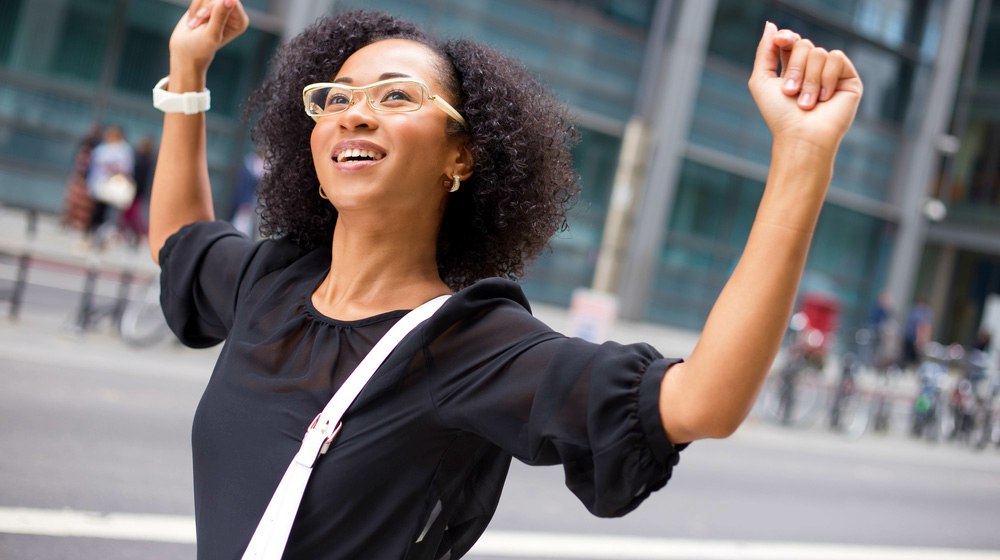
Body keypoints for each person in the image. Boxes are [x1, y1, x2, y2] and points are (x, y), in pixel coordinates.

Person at [149, 2, 862, 558]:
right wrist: (188, 71)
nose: (354, 113)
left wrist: (802, 156)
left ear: (460, 157)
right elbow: (179, 244)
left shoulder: (468, 346)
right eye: (335, 99)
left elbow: (702, 402)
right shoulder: (270, 284)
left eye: (397, 96)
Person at [86, 125, 134, 248]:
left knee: (111, 215)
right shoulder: (102, 147)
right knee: (97, 212)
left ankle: (104, 238)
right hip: (99, 184)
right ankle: (92, 236)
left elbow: (126, 168)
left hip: (113, 186)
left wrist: (112, 168)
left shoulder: (124, 149)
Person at [118, 135, 156, 246]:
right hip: (136, 190)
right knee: (130, 215)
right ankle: (135, 234)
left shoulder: (145, 159)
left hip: (136, 191)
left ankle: (140, 234)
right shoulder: (144, 158)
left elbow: (139, 177)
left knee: (131, 215)